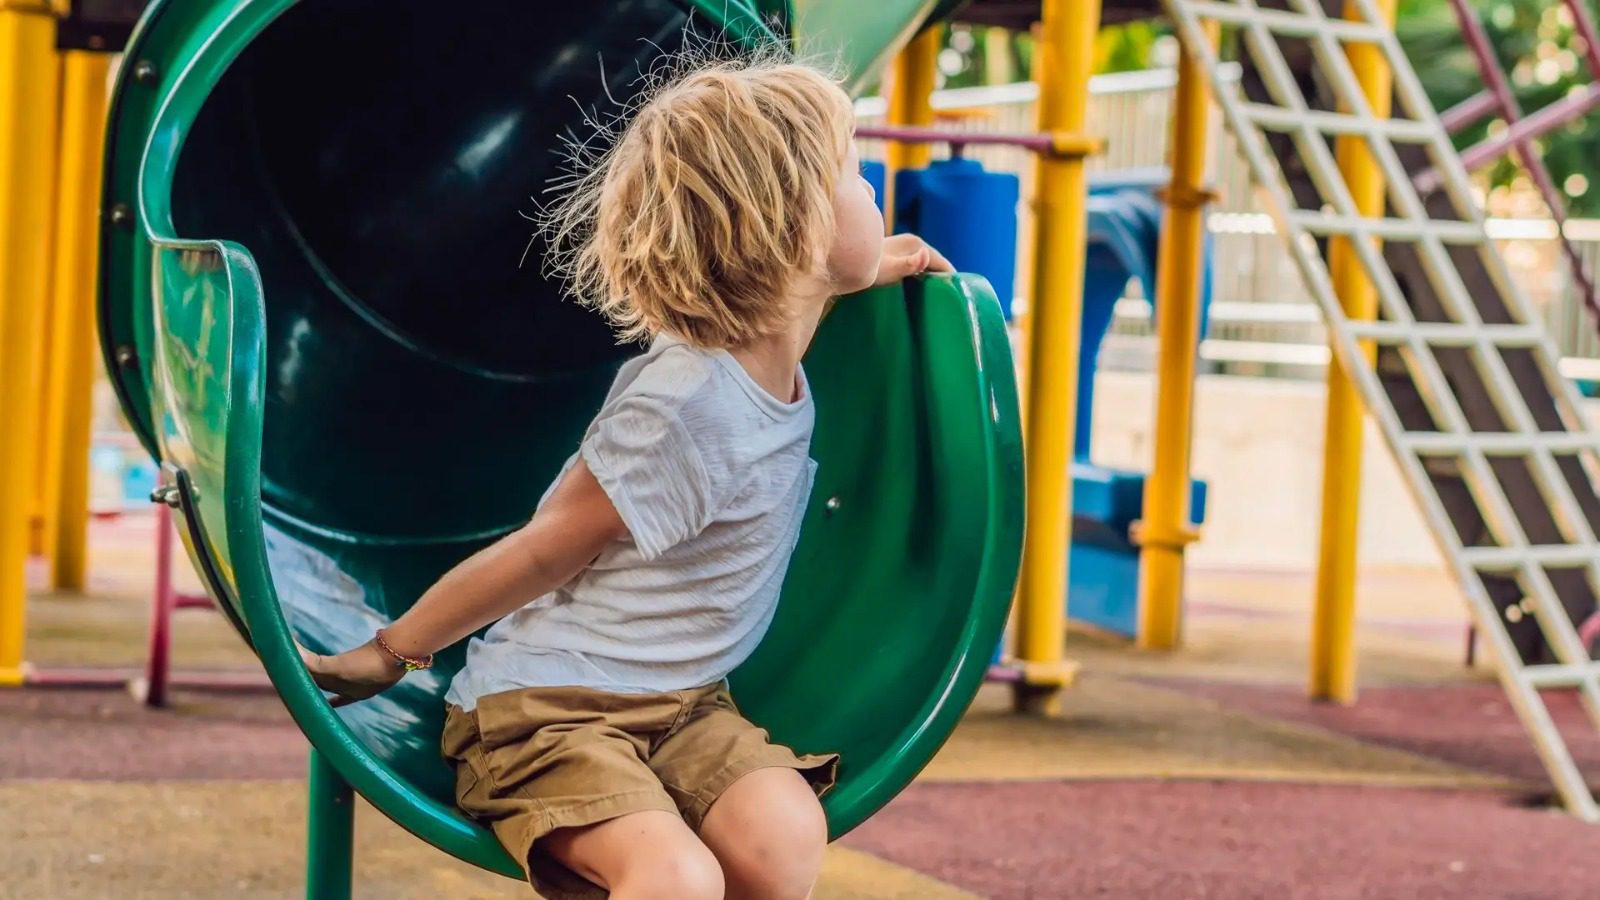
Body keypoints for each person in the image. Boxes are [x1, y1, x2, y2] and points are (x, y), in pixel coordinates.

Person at [300, 52, 950, 900]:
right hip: (550, 707)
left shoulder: (775, 339)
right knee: (676, 879)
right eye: (857, 178)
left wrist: (876, 263)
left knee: (785, 835)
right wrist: (392, 652)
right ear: (792, 229)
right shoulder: (686, 405)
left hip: (683, 706)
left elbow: (809, 296)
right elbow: (544, 551)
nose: (874, 197)